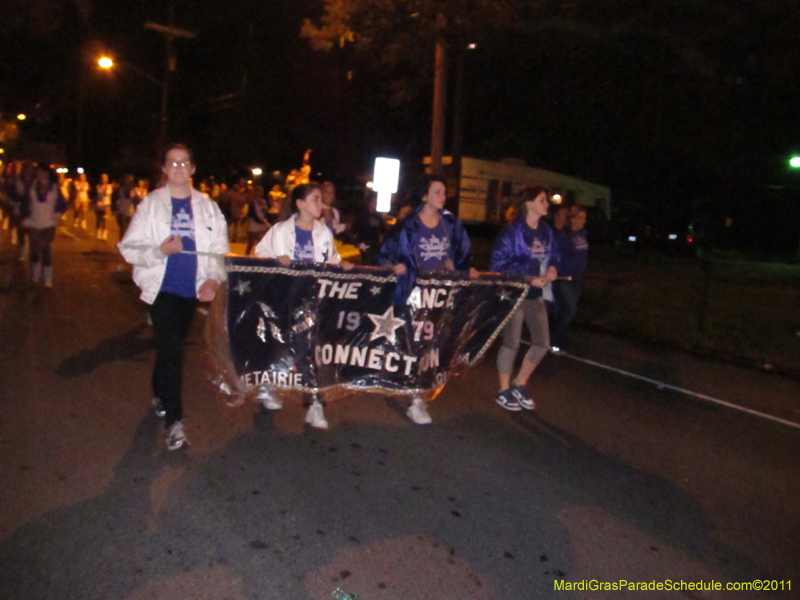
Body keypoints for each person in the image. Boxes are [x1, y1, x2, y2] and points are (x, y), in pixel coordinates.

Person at [118, 143, 230, 451]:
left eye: (184, 163)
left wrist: (212, 278)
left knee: (170, 348)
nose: (178, 168)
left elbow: (219, 250)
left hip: (190, 291)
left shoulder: (208, 207)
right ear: (164, 169)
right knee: (173, 352)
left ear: (193, 169)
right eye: (172, 163)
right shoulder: (151, 205)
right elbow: (129, 248)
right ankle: (175, 424)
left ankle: (159, 390)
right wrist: (160, 251)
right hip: (161, 289)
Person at [253, 182, 354, 429]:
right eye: (316, 199)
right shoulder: (279, 231)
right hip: (282, 299)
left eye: (320, 199)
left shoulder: (323, 233)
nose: (320, 204)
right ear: (300, 204)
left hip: (311, 302)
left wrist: (342, 266)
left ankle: (314, 404)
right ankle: (269, 386)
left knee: (306, 349)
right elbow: (258, 255)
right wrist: (276, 260)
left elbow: (332, 260)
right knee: (278, 344)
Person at [379, 174, 474, 425]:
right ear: (425, 196)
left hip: (440, 292)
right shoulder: (410, 224)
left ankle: (412, 386)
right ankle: (415, 399)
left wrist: (458, 268)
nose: (443, 197)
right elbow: (388, 252)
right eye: (437, 192)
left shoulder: (449, 223)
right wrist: (395, 267)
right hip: (415, 292)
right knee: (417, 343)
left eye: (444, 192)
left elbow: (455, 253)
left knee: (433, 343)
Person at [489, 186, 559, 412]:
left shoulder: (546, 230)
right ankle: (503, 390)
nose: (546, 204)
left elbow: (554, 254)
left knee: (542, 343)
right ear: (528, 204)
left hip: (536, 295)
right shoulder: (512, 232)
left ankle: (519, 383)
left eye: (546, 200)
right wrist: (527, 278)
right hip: (515, 294)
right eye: (542, 200)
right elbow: (497, 265)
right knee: (512, 342)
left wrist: (552, 268)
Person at [550, 205, 588, 353]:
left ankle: (553, 341)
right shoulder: (562, 235)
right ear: (571, 219)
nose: (583, 221)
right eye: (579, 218)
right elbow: (556, 256)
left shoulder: (582, 234)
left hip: (577, 278)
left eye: (584, 218)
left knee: (562, 311)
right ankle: (554, 342)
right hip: (563, 278)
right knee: (569, 311)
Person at [22, 165, 66, 287]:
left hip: (49, 223)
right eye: (39, 172)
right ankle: (35, 276)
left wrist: (57, 214)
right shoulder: (31, 186)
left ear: (48, 174)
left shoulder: (54, 187)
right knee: (35, 250)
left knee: (45, 249)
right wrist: (25, 217)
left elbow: (62, 204)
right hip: (34, 222)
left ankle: (47, 279)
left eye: (44, 172)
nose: (41, 175)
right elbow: (25, 202)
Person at [350, 192, 385, 266]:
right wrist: (356, 243)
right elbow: (353, 230)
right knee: (367, 264)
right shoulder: (362, 215)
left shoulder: (378, 216)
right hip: (365, 245)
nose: (374, 204)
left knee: (375, 264)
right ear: (369, 202)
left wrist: (380, 242)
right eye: (373, 202)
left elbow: (382, 230)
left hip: (375, 245)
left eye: (376, 202)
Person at [244, 184, 269, 255]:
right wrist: (261, 221)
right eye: (259, 192)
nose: (261, 193)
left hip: (262, 225)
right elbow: (253, 214)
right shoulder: (252, 202)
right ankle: (246, 257)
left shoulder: (263, 201)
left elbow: (265, 212)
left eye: (262, 192)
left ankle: (259, 256)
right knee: (251, 243)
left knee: (261, 243)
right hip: (254, 224)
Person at [113, 175, 136, 241]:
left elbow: (134, 200)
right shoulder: (119, 190)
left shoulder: (132, 190)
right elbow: (114, 200)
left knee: (128, 230)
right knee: (123, 229)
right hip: (122, 211)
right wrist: (115, 210)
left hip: (129, 212)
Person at [94, 173, 113, 240]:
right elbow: (99, 193)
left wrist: (104, 190)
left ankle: (104, 233)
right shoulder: (98, 186)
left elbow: (107, 193)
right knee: (99, 219)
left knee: (105, 220)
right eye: (102, 178)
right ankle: (98, 232)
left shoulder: (109, 186)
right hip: (99, 204)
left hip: (107, 204)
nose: (103, 179)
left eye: (105, 178)